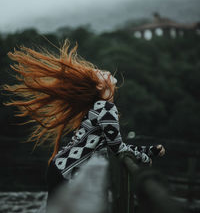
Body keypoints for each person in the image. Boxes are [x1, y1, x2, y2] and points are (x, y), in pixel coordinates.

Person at [3, 40, 165, 203]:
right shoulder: (106, 108)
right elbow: (117, 148)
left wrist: (148, 150)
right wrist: (144, 157)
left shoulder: (99, 107)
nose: (105, 72)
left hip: (60, 168)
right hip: (64, 171)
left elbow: (113, 143)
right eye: (100, 74)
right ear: (100, 87)